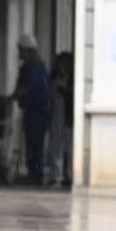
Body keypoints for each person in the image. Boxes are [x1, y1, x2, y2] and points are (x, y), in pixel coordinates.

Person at [13, 35, 52, 185]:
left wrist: (16, 95)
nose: (19, 53)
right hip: (37, 110)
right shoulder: (38, 65)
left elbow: (29, 87)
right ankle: (35, 173)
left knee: (34, 144)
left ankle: (35, 175)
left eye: (20, 50)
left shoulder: (32, 66)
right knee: (34, 144)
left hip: (37, 111)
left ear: (26, 50)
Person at [47, 51, 73, 187]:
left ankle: (68, 175)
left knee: (68, 146)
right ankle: (57, 175)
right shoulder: (54, 78)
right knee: (57, 145)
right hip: (57, 116)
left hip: (67, 116)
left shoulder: (72, 80)